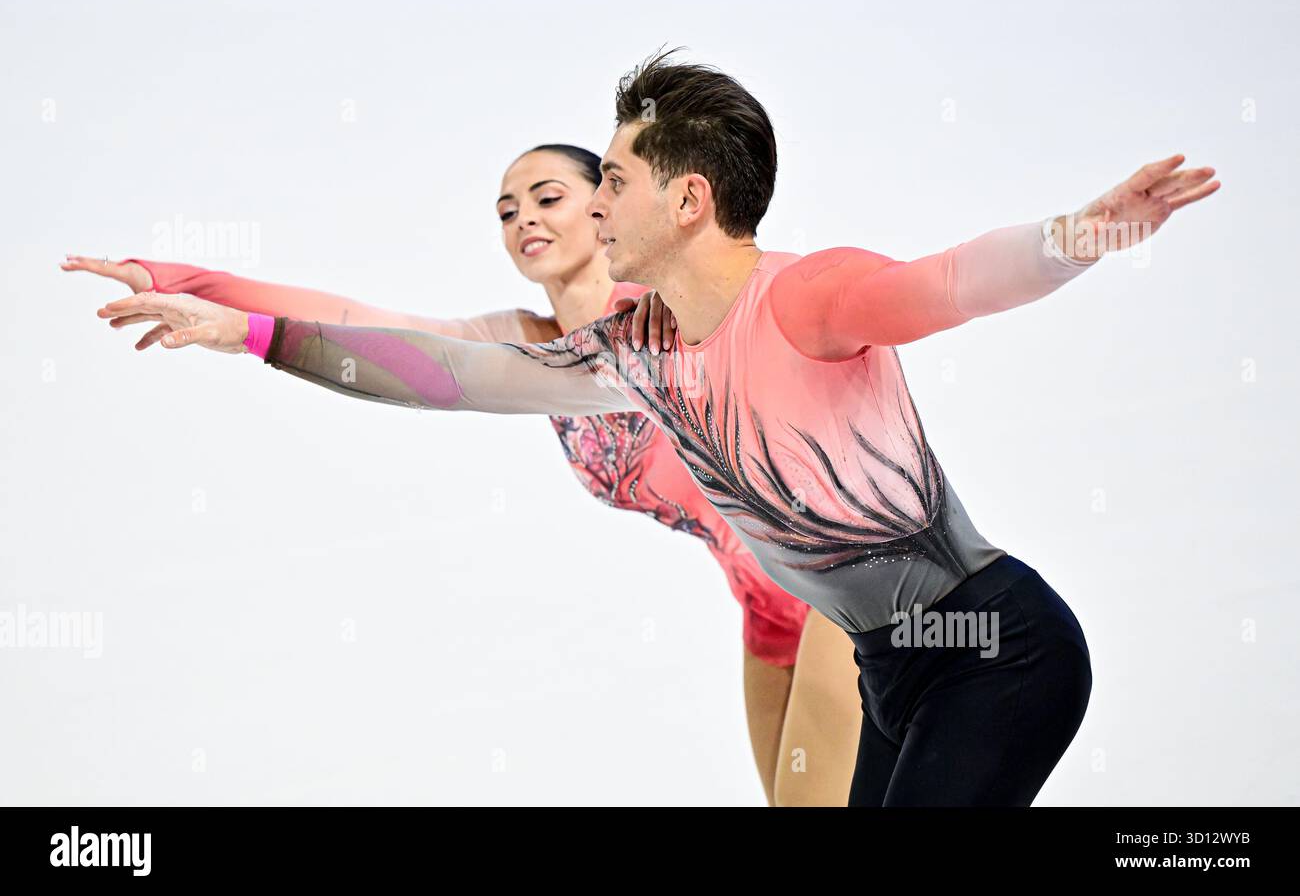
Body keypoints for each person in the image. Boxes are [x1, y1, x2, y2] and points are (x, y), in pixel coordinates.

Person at [89, 49, 1219, 805]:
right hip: (887, 661)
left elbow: (950, 280)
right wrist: (227, 321)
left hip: (990, 644)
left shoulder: (805, 295)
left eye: (607, 181)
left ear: (683, 200)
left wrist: (1087, 233)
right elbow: (425, 366)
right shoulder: (619, 357)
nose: (586, 205)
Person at [63, 142, 862, 807]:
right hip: (763, 620)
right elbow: (369, 327)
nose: (524, 220)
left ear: (605, 205)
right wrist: (188, 287)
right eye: (507, 212)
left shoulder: (669, 309)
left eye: (547, 197)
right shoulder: (524, 340)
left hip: (832, 582)